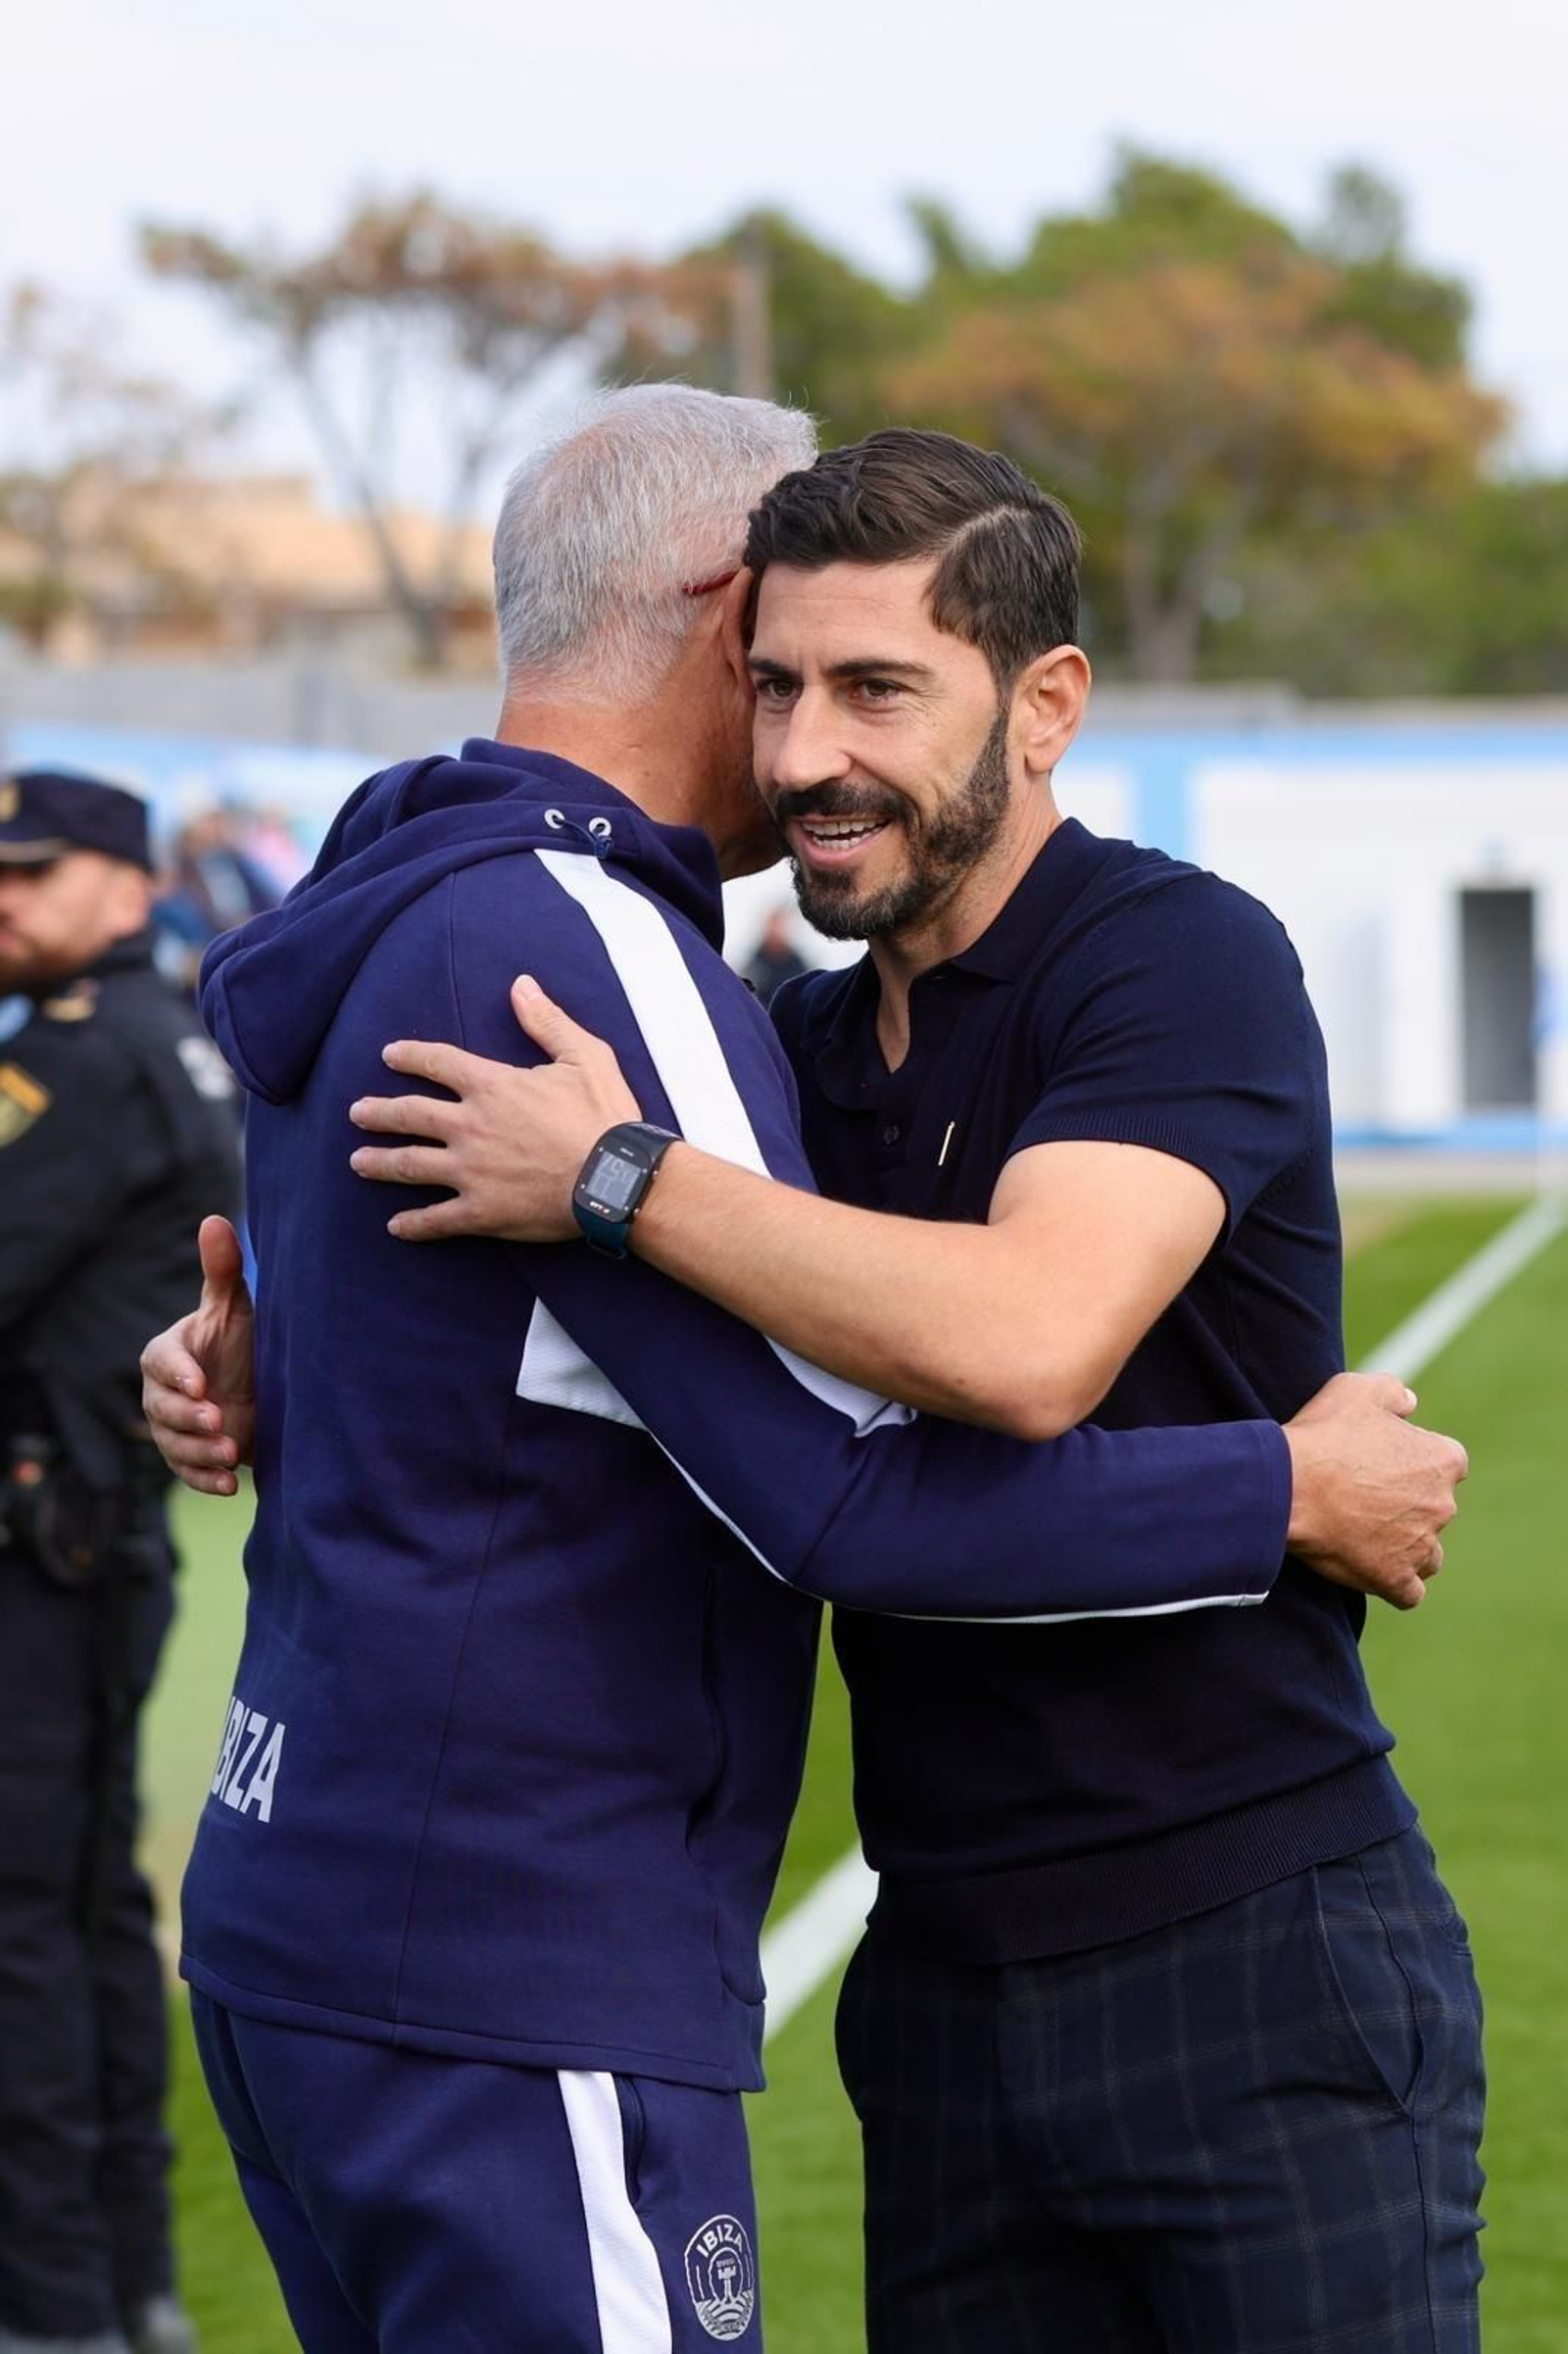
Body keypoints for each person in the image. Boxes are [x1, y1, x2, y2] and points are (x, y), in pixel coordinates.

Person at [139, 393, 1466, 2353]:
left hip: (1241, 1933)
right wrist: (312, 1365)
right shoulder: (774, 1036)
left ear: (1044, 705)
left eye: (875, 688)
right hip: (919, 1970)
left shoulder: (1171, 958)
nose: (807, 751)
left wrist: (614, 1183)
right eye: (778, 682)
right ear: (718, 633)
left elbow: (1020, 1338)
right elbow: (792, 1450)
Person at [0, 772, 242, 2354]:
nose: (5, 898)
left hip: (43, 1552)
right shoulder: (160, 1036)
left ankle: (51, 2299)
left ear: (129, 883)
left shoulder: (79, 1056)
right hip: (100, 1539)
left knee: (24, 1923)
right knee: (81, 1913)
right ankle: (120, 2280)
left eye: (35, 871)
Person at [740, 907, 808, 1005]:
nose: (777, 932)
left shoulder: (799, 967)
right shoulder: (754, 966)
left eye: (781, 927)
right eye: (775, 926)